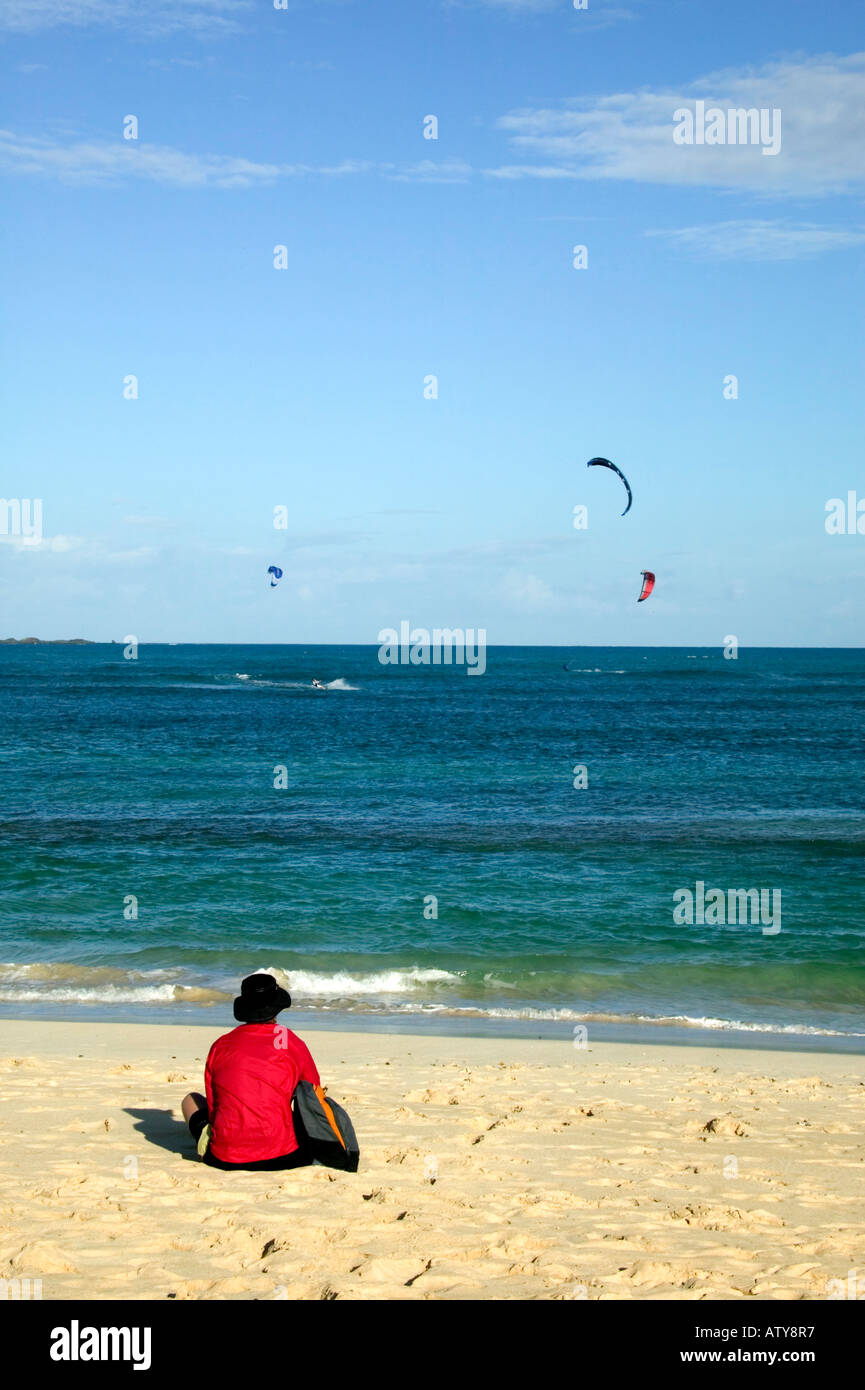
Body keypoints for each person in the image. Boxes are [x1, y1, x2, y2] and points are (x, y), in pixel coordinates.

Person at [181, 972, 321, 1171]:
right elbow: (313, 1092)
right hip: (283, 1156)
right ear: (276, 1009)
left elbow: (215, 1106)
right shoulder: (288, 1040)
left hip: (225, 1157)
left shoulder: (221, 1045)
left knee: (190, 1100)